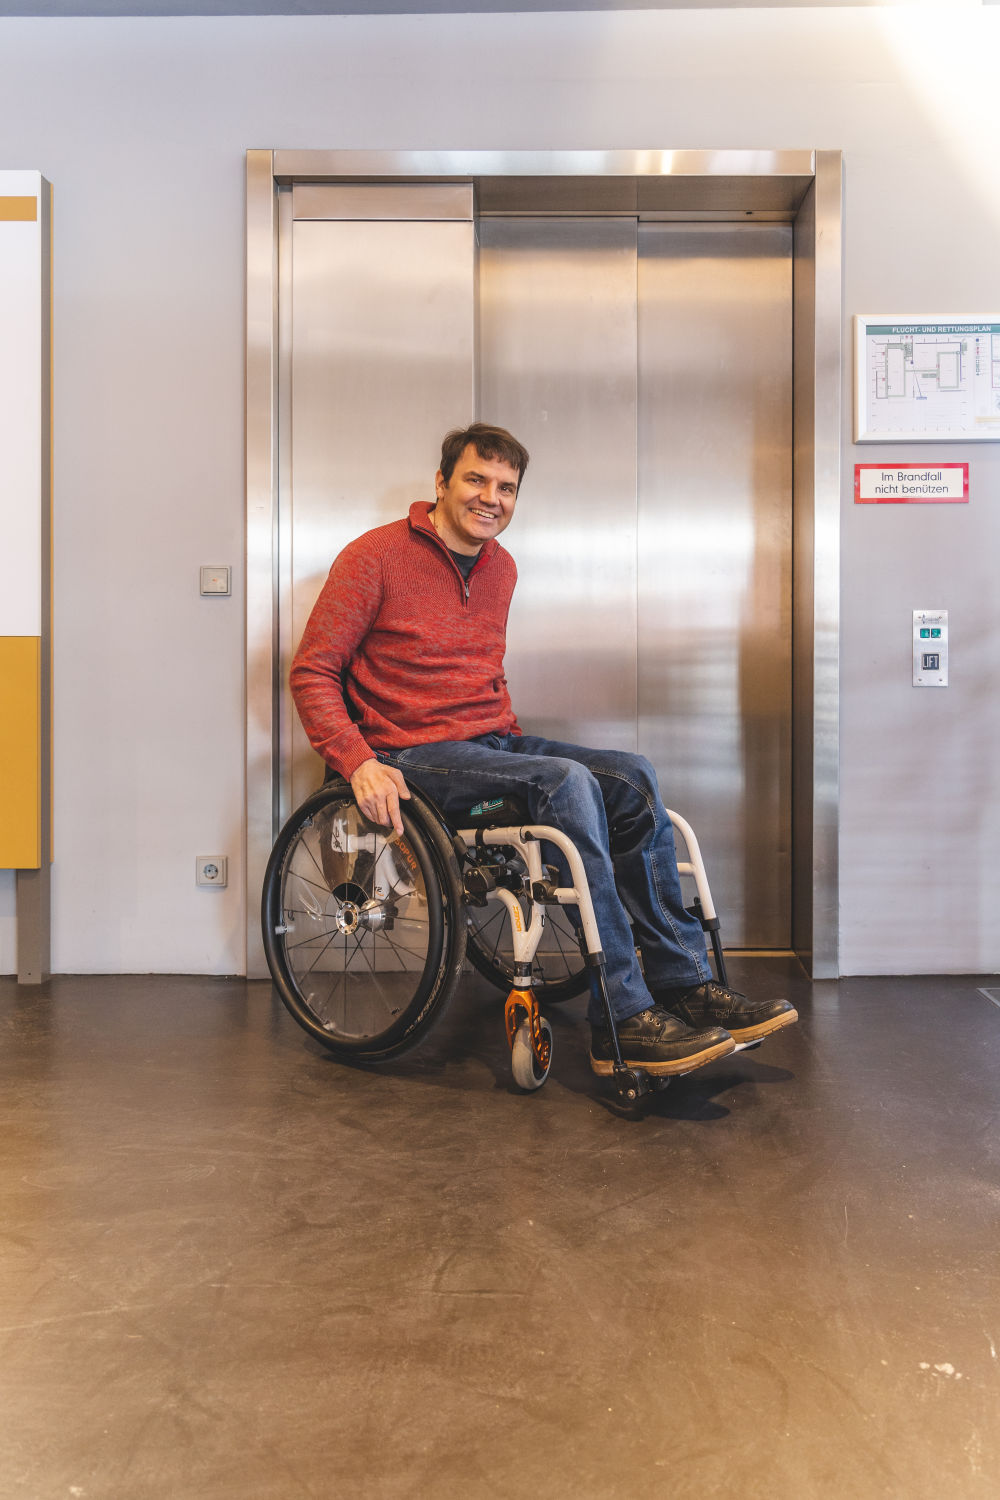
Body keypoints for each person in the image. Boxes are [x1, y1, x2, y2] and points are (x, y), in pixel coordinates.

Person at [290, 422, 797, 1078]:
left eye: (506, 487)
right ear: (441, 483)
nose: (490, 498)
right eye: (476, 479)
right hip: (406, 752)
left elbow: (479, 675)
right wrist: (357, 761)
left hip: (488, 742)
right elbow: (313, 670)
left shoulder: (500, 568)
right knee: (564, 782)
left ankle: (683, 984)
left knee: (632, 776)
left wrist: (512, 752)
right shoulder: (373, 557)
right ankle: (623, 1018)